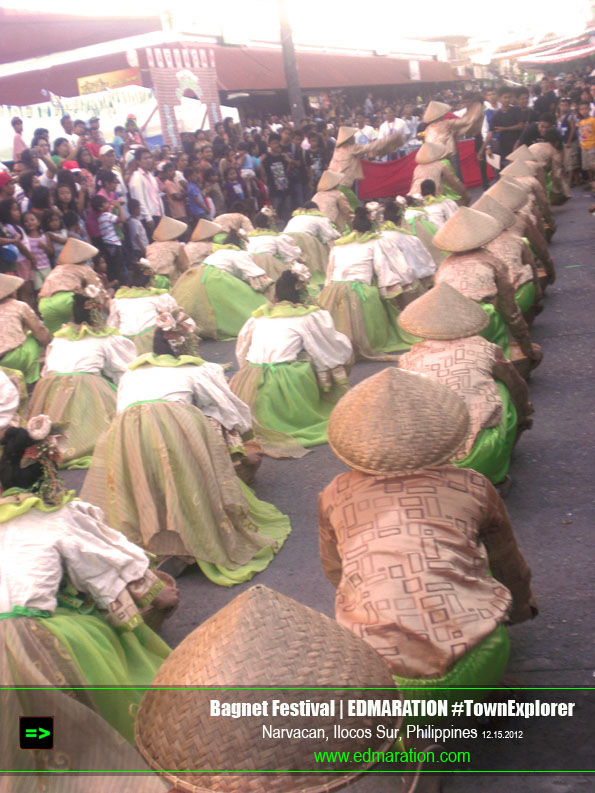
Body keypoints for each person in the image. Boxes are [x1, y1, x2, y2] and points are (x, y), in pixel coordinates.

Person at [320, 367, 537, 683]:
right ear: (446, 434)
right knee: (470, 552)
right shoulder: (472, 485)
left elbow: (335, 570)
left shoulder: (335, 494)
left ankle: (411, 727)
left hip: (380, 675)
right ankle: (483, 694)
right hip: (478, 657)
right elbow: (508, 561)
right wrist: (520, 608)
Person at [0, 418, 177, 765]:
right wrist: (154, 593)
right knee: (52, 693)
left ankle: (32, 756)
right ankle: (56, 759)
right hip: (30, 633)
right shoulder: (59, 516)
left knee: (23, 719)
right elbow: (102, 568)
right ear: (48, 472)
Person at [81, 315, 291, 587]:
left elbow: (122, 408)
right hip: (173, 426)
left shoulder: (132, 372)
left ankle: (157, 541)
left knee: (149, 480)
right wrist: (237, 441)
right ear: (186, 343)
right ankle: (191, 543)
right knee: (190, 465)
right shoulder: (198, 370)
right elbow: (228, 409)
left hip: (124, 433)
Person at [398, 283, 533, 485]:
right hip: (478, 455)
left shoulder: (408, 360)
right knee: (504, 385)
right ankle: (494, 471)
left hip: (431, 460)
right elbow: (517, 386)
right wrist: (523, 414)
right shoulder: (484, 348)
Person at [231, 271, 352, 456]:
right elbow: (327, 349)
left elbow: (242, 350)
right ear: (303, 295)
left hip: (249, 379)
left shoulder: (258, 318)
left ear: (276, 296)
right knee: (308, 363)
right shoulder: (306, 318)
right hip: (285, 381)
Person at [27, 288, 136, 468]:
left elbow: (46, 371)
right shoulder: (105, 339)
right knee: (97, 392)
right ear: (97, 311)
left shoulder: (60, 339)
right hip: (86, 386)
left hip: (50, 389)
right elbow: (124, 368)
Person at [433, 207, 541, 366]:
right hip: (480, 318)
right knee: (494, 318)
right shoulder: (492, 261)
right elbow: (510, 310)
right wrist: (527, 348)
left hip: (446, 322)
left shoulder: (444, 265)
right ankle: (500, 364)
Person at [318, 207, 414, 361]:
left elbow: (330, 273)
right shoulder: (376, 243)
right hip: (359, 290)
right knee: (374, 305)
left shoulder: (339, 245)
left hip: (334, 290)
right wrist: (389, 289)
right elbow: (382, 268)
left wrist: (328, 289)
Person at [171, 229, 271, 340]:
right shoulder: (237, 254)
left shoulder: (217, 253)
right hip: (215, 278)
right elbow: (255, 273)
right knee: (249, 302)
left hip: (197, 274)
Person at [474, 193, 543, 318]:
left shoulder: (479, 253)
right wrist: (538, 297)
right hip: (526, 293)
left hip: (499, 308)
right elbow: (533, 266)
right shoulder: (516, 238)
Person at [107, 260, 183, 354]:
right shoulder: (159, 297)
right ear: (151, 281)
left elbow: (112, 325)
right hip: (152, 342)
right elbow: (174, 313)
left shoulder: (118, 300)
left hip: (125, 343)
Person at [38, 238, 103, 334]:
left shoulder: (56, 269)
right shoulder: (84, 269)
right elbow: (97, 291)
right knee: (90, 329)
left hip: (44, 304)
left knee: (57, 338)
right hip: (67, 300)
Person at [327, 126, 404, 207]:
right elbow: (371, 146)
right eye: (353, 137)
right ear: (349, 139)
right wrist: (390, 138)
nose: (354, 138)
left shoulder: (337, 150)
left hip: (333, 185)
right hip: (343, 187)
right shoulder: (353, 148)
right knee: (356, 210)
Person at [0, 273, 50, 384]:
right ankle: (31, 378)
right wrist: (49, 346)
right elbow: (39, 330)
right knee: (33, 337)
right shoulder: (19, 306)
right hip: (12, 359)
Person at [422, 97, 484, 177]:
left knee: (443, 178)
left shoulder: (428, 129)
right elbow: (466, 121)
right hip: (450, 153)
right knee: (455, 175)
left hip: (436, 157)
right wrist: (476, 108)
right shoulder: (447, 123)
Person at [127, 148, 163, 238]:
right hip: (148, 217)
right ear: (138, 161)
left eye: (149, 157)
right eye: (145, 158)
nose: (148, 161)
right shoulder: (137, 177)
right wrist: (148, 218)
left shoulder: (150, 175)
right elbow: (139, 199)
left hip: (157, 214)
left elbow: (156, 196)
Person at [144, 216, 189, 287]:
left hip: (152, 281)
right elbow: (185, 267)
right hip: (169, 283)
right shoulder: (177, 246)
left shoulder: (150, 247)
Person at [483, 88, 524, 167]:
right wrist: (484, 148)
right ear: (499, 99)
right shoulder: (496, 116)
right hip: (504, 148)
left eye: (509, 97)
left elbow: (521, 126)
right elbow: (489, 133)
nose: (507, 100)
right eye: (505, 97)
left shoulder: (516, 110)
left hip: (518, 145)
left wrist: (504, 129)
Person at [91, 194, 127, 284]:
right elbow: (122, 219)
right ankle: (121, 283)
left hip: (107, 243)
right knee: (119, 266)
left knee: (113, 265)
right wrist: (119, 207)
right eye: (105, 203)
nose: (108, 204)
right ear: (100, 208)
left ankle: (116, 283)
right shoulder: (107, 215)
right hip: (114, 243)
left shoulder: (100, 218)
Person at [261, 133, 293, 223]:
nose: (276, 145)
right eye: (274, 143)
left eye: (277, 143)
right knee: (275, 211)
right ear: (269, 145)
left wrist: (289, 162)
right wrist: (260, 163)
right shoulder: (266, 158)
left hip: (285, 188)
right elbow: (263, 175)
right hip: (274, 190)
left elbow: (286, 172)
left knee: (287, 209)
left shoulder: (282, 157)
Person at [22, 211, 53, 292]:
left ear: (38, 222)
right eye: (26, 221)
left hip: (46, 266)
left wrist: (44, 247)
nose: (29, 223)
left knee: (50, 288)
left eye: (32, 220)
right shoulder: (26, 239)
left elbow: (51, 252)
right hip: (34, 269)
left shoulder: (44, 236)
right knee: (40, 290)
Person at [576, 100, 595, 190]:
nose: (583, 111)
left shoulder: (592, 120)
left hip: (592, 145)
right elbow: (580, 134)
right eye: (581, 109)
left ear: (589, 109)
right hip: (584, 146)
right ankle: (591, 182)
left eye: (585, 109)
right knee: (586, 166)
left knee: (593, 165)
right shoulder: (581, 122)